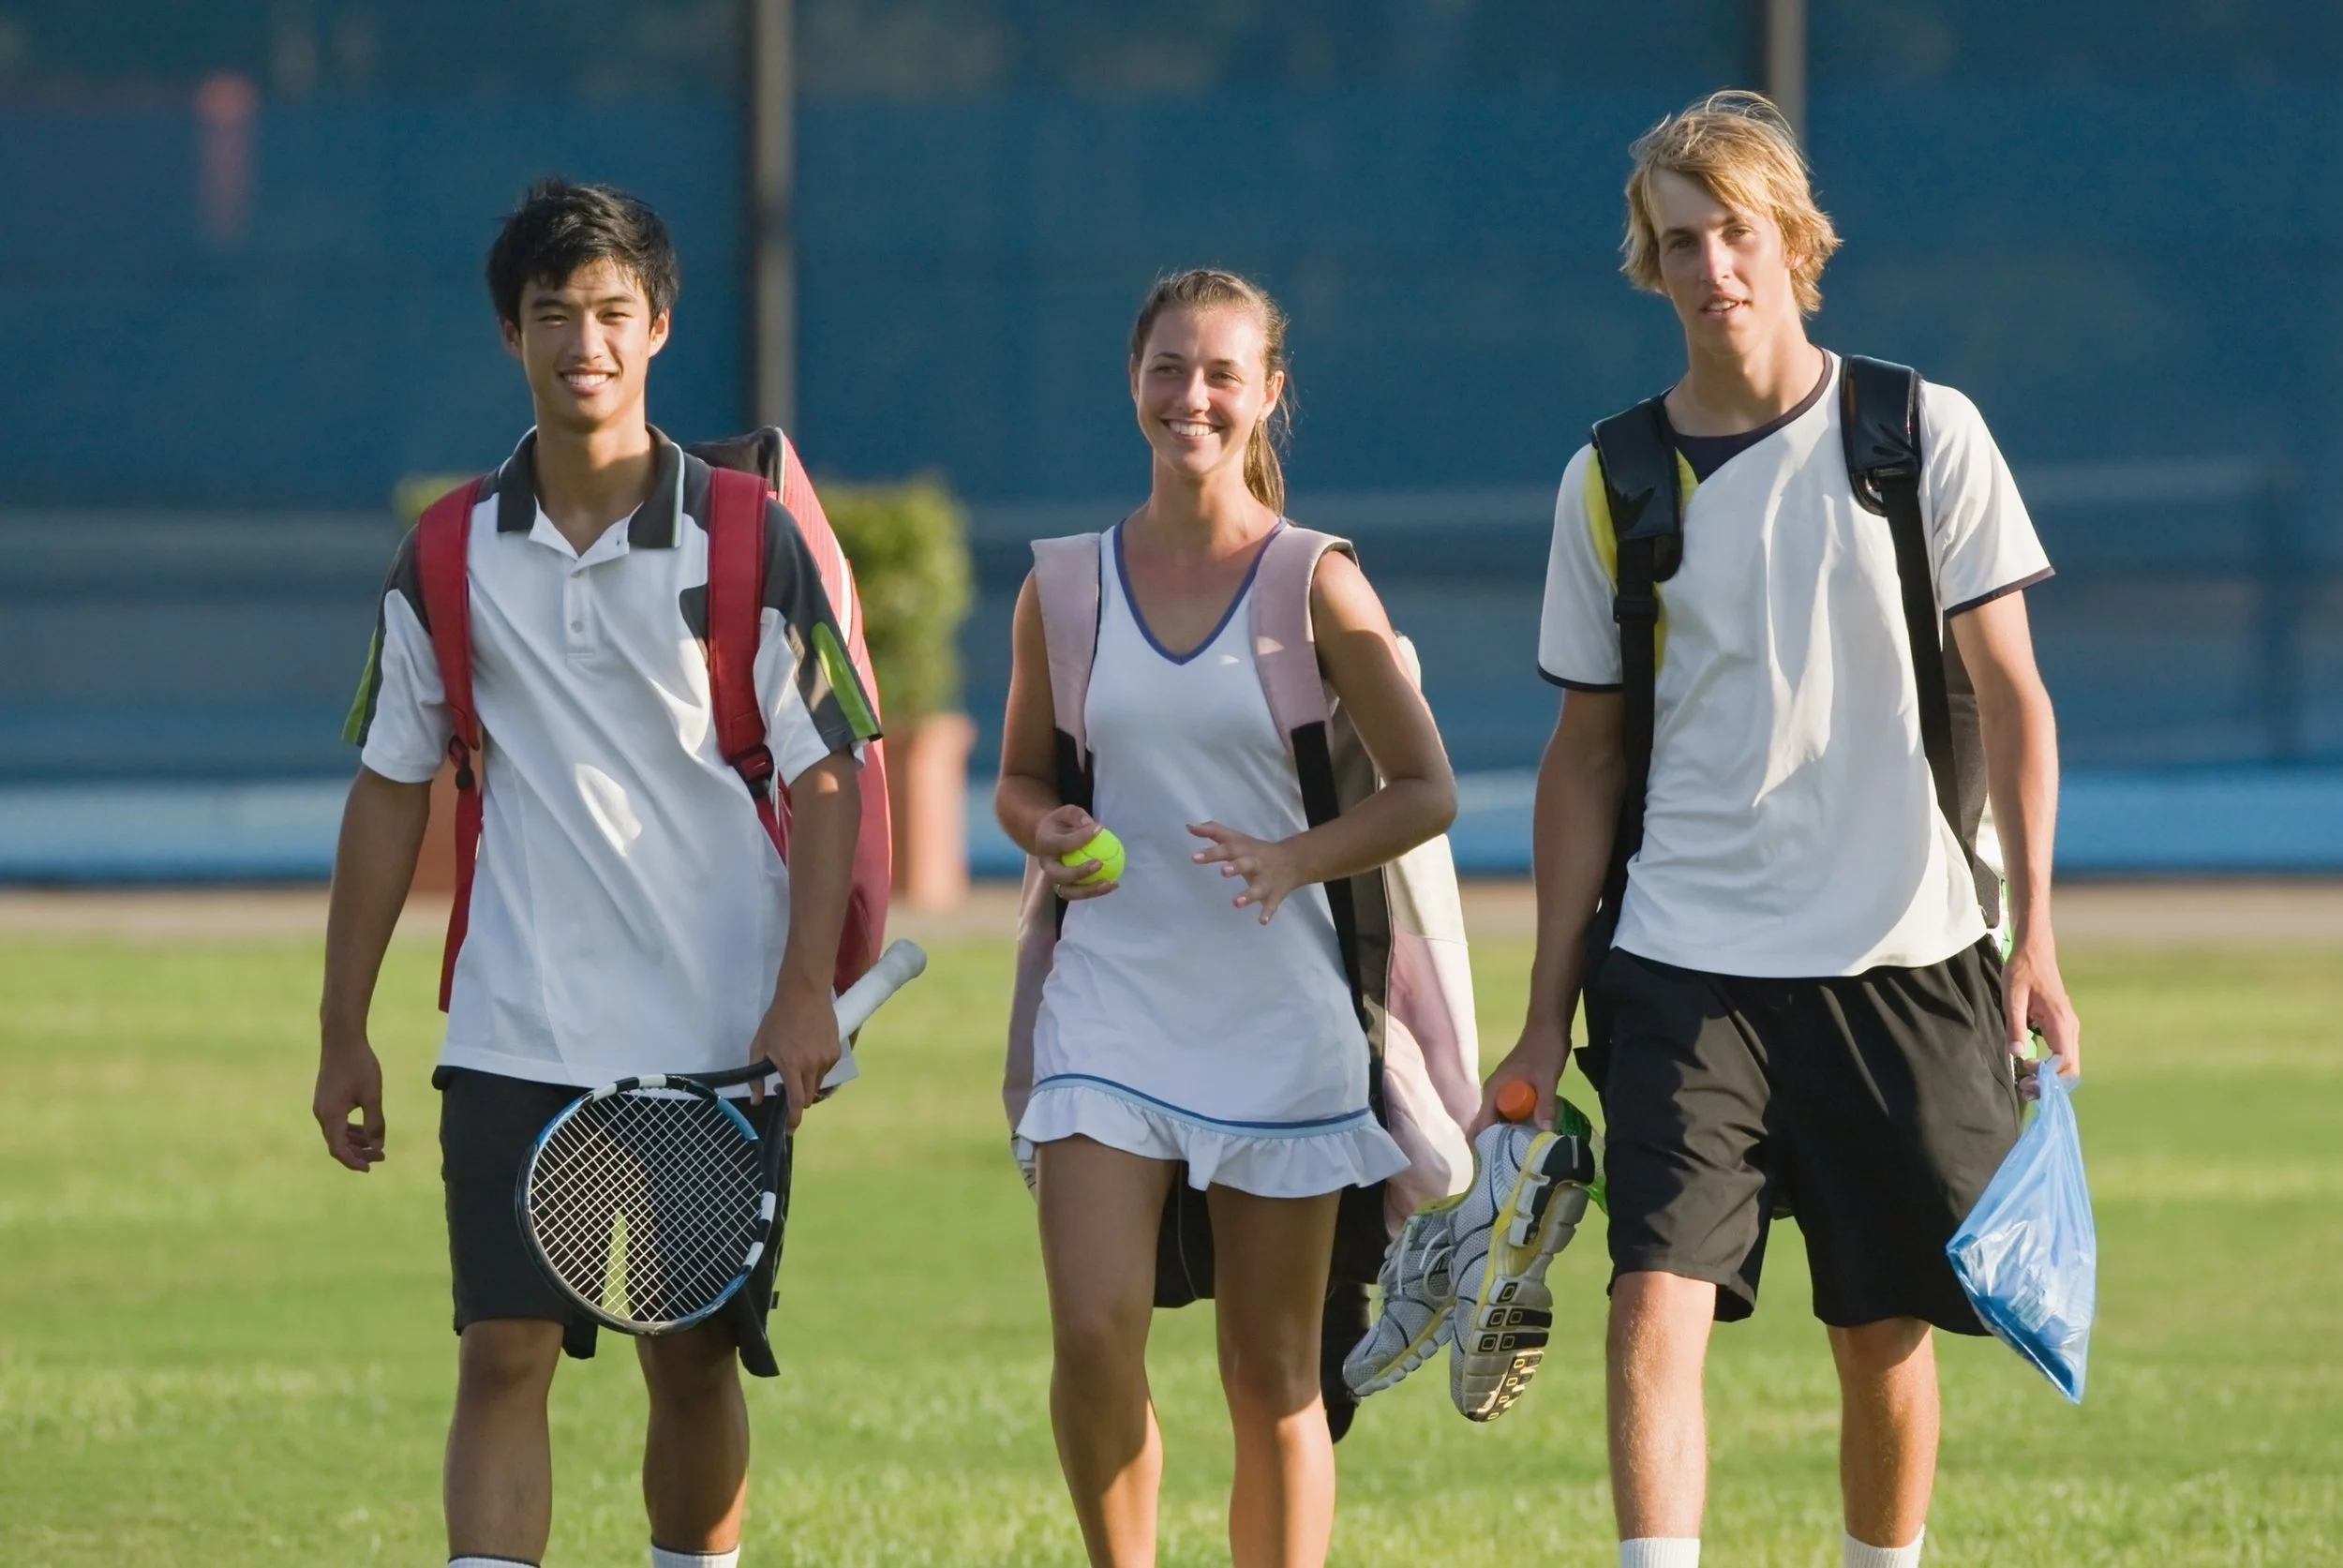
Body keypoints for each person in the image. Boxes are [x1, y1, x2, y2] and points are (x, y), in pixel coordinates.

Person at [1474, 93, 2082, 1568]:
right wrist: (1542, 1022)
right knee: (1651, 1302)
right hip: (1686, 961)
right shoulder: (1611, 478)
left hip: (1908, 950)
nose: (1711, 267)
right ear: (1652, 263)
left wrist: (2039, 938)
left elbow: (2015, 698)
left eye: (1736, 231)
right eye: (1679, 240)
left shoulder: (1920, 432)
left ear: (1793, 241)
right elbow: (1584, 758)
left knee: (1879, 1334)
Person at [311, 179, 875, 1568]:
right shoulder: (444, 552)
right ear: (511, 333)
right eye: (554, 313)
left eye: (614, 312)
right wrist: (343, 1029)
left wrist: (805, 992)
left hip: (711, 1033)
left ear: (660, 327)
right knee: (501, 1355)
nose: (586, 340)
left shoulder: (748, 536)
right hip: (517, 1022)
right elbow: (391, 790)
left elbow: (829, 776)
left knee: (688, 1363)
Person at [995, 268, 1456, 1568]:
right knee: (1092, 1333)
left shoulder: (1314, 581)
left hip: (1280, 1015)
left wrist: (1293, 858)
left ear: (1266, 396)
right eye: (1166, 368)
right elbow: (1021, 778)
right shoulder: (1067, 588)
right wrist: (1050, 833)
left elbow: (1427, 790)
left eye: (1219, 373)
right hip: (1108, 1007)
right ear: (1132, 381)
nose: (1189, 396)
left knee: (1272, 1375)